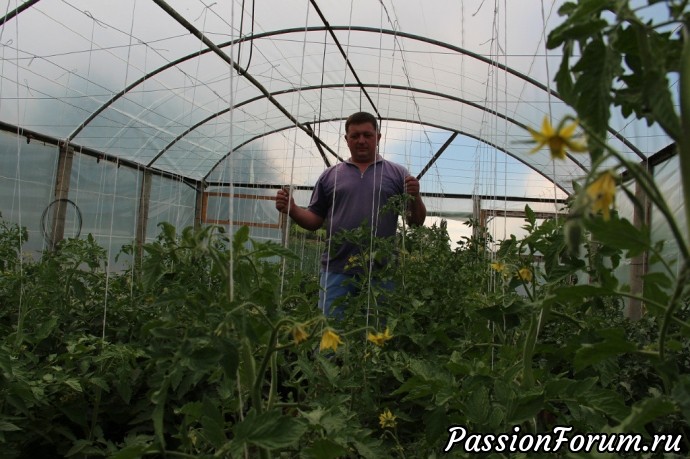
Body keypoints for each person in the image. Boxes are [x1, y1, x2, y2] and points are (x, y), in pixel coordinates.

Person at [276, 111, 426, 319]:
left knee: (378, 336)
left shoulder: (396, 174)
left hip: (382, 271)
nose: (361, 141)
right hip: (337, 270)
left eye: (367, 135)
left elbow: (415, 222)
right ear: (346, 140)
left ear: (378, 137)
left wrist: (415, 196)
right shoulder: (330, 176)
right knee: (332, 335)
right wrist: (292, 209)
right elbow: (314, 221)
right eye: (355, 136)